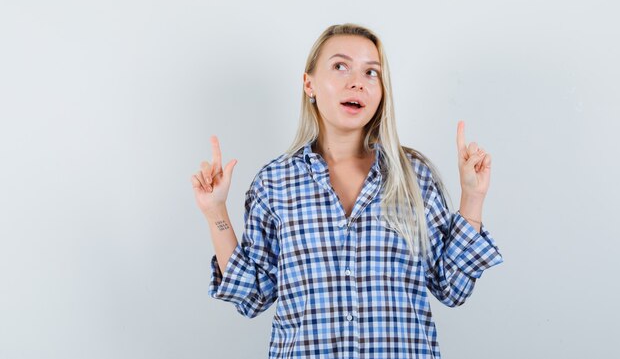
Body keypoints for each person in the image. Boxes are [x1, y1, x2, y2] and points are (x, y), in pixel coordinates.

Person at [190, 23, 504, 358]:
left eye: (371, 72)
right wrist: (215, 213)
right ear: (309, 84)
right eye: (340, 66)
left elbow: (451, 287)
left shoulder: (415, 176)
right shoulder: (274, 183)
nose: (357, 81)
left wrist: (473, 197)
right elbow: (252, 297)